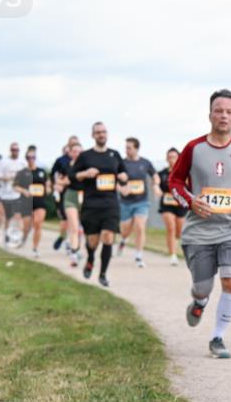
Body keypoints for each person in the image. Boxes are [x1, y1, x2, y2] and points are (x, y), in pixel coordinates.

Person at [168, 89, 231, 359]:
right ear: (209, 115)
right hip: (199, 231)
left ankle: (217, 337)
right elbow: (174, 181)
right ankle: (199, 302)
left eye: (229, 112)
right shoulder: (193, 148)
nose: (224, 116)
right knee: (203, 288)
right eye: (219, 111)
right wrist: (190, 201)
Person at [70, 122, 127, 287]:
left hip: (110, 204)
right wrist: (85, 173)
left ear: (107, 134)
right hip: (91, 204)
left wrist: (123, 177)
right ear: (93, 135)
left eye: (103, 132)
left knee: (108, 236)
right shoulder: (85, 156)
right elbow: (72, 176)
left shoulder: (114, 155)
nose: (101, 135)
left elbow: (124, 173)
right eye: (98, 132)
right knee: (93, 241)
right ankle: (90, 259)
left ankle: (103, 274)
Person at [117, 137, 158, 268]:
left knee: (140, 226)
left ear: (136, 148)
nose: (126, 150)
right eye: (126, 148)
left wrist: (156, 185)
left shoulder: (145, 162)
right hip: (126, 202)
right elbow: (114, 179)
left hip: (142, 202)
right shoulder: (121, 163)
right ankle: (124, 239)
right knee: (125, 230)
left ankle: (139, 255)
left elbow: (155, 176)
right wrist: (121, 189)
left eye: (129, 148)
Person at [14, 145, 50, 257]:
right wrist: (23, 191)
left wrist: (48, 189)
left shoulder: (41, 172)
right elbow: (15, 186)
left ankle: (35, 248)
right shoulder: (21, 172)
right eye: (29, 157)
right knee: (26, 226)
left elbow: (47, 184)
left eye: (33, 157)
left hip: (40, 201)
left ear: (35, 158)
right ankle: (24, 238)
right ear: (26, 159)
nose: (31, 159)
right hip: (26, 202)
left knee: (38, 223)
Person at [157, 147, 188, 266]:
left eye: (174, 157)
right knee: (171, 227)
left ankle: (175, 245)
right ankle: (173, 255)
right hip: (167, 204)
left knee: (179, 232)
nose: (172, 160)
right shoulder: (162, 174)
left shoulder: (185, 173)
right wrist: (156, 189)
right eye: (169, 157)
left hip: (180, 205)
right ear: (166, 159)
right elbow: (156, 185)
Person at [50, 136, 80, 252]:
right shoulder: (61, 161)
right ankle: (62, 237)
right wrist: (57, 185)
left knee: (75, 223)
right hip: (64, 195)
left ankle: (72, 245)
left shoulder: (83, 161)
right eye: (72, 145)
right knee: (65, 221)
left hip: (78, 195)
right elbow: (54, 176)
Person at [60, 141, 84, 267]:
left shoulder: (87, 165)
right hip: (70, 196)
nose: (77, 154)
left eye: (79, 151)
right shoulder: (66, 166)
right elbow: (59, 180)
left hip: (84, 196)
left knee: (81, 228)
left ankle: (76, 247)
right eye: (75, 151)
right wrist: (64, 182)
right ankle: (74, 254)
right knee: (74, 226)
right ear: (70, 153)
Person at [0, 143, 26, 246]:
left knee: (18, 216)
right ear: (10, 150)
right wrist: (8, 178)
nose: (15, 151)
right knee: (7, 218)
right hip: (6, 194)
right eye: (13, 150)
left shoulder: (22, 162)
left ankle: (18, 237)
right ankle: (7, 235)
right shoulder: (3, 162)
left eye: (17, 150)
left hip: (17, 194)